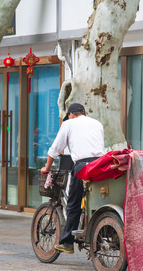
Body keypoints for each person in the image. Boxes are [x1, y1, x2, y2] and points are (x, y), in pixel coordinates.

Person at [41, 103, 105, 254]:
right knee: (97, 199)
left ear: (70, 114)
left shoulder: (68, 124)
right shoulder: (97, 123)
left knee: (73, 203)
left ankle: (67, 242)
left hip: (83, 167)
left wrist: (47, 168)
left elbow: (55, 149)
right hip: (100, 165)